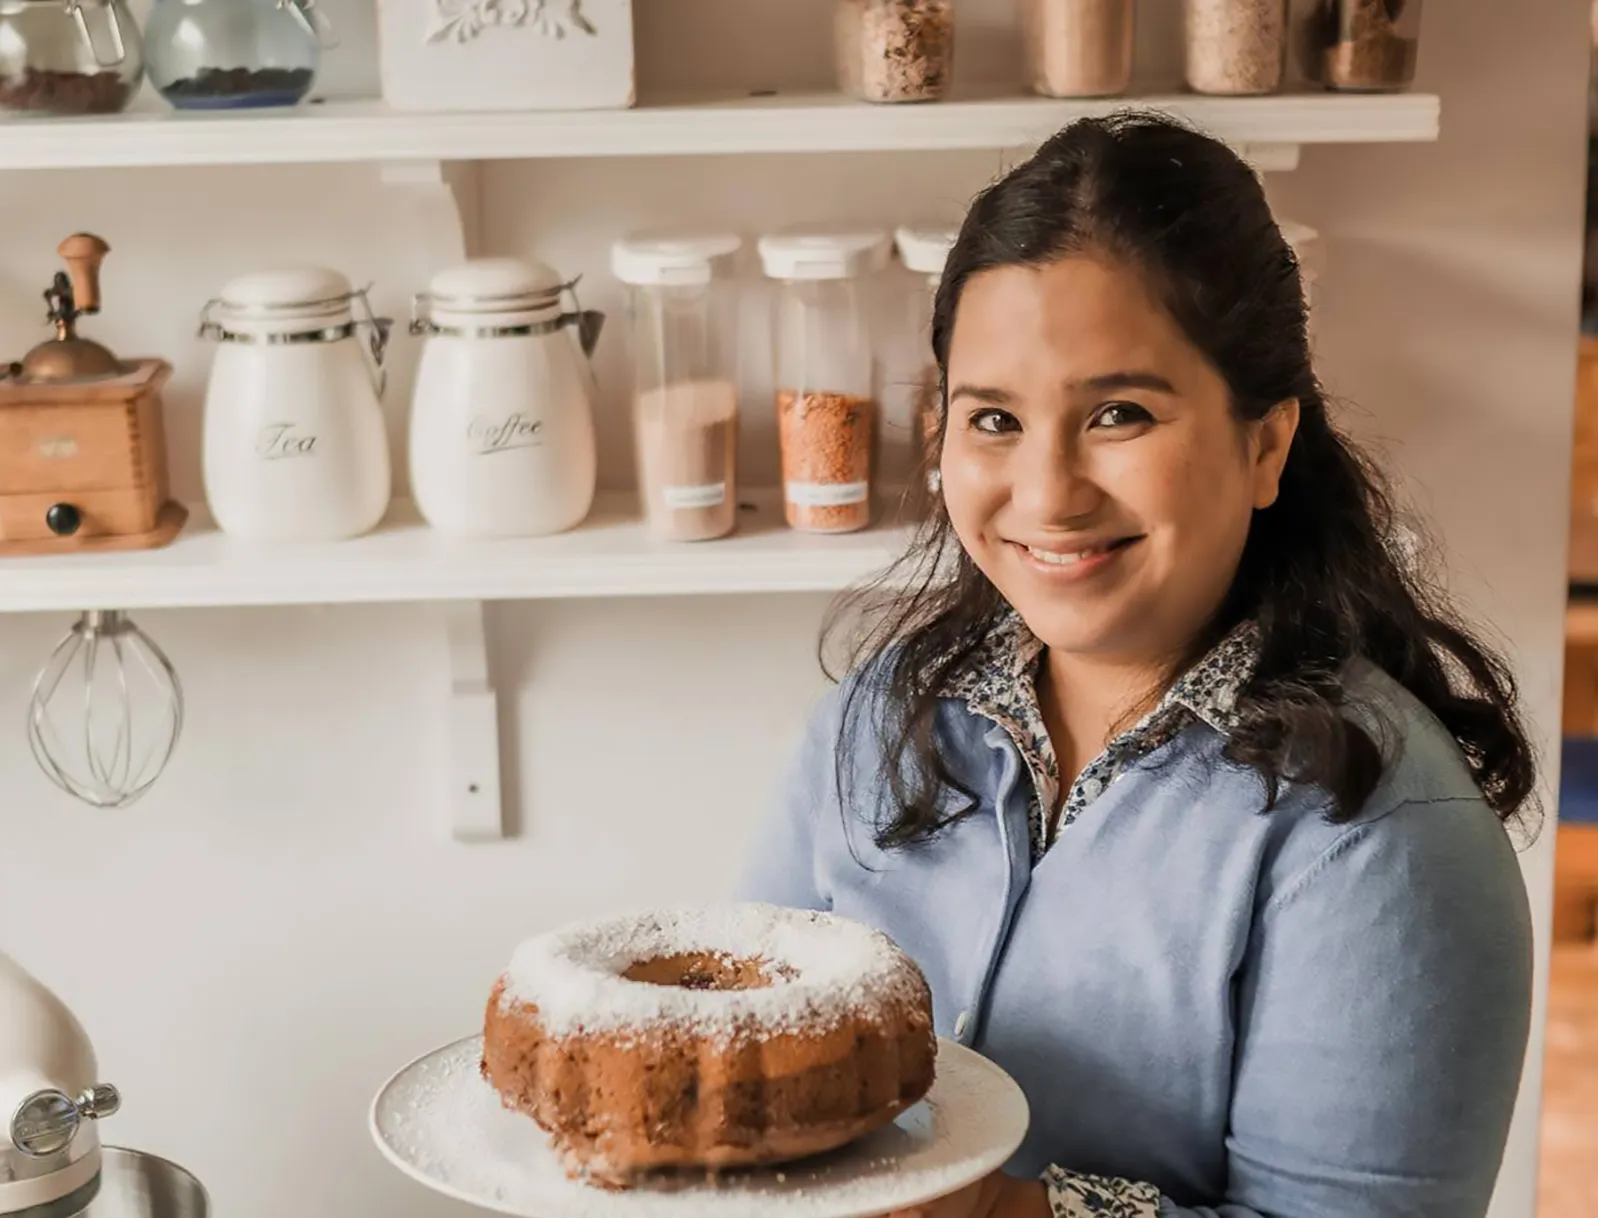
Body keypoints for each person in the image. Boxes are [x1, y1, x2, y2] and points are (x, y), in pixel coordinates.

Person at [739, 112, 1538, 1218]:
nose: (1046, 492)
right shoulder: (870, 726)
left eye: (1118, 413)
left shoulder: (1380, 833)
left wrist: (992, 1213)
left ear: (1264, 444)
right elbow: (746, 1067)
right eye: (993, 419)